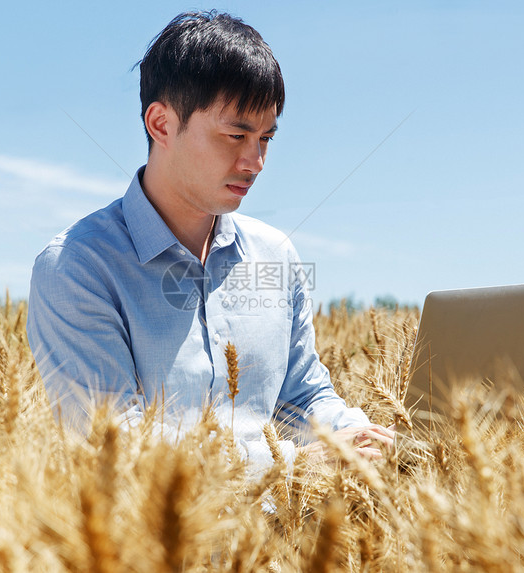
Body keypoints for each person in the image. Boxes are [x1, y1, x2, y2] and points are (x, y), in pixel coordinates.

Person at [27, 10, 394, 472]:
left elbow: (300, 396)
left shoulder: (276, 254)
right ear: (161, 124)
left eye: (265, 138)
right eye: (236, 135)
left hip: (291, 540)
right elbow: (117, 452)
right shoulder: (77, 268)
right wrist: (287, 470)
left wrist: (365, 437)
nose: (255, 161)